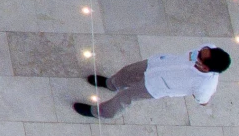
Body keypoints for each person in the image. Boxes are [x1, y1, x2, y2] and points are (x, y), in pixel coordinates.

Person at [75, 45, 230, 119]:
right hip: (155, 65)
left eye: (199, 56)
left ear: (205, 67)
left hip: (154, 86)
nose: (198, 51)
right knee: (128, 71)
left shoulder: (205, 85)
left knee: (124, 97)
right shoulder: (208, 49)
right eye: (202, 49)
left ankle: (100, 113)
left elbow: (203, 101)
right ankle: (111, 84)